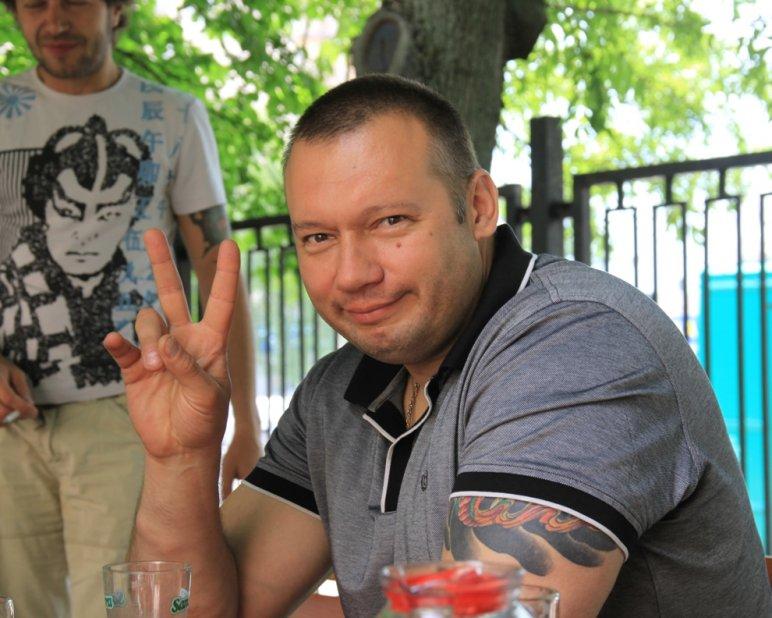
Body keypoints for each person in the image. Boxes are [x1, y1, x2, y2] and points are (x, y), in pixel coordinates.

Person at [105, 75, 772, 617]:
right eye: (318, 237)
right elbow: (189, 612)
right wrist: (179, 459)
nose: (352, 274)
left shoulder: (577, 349)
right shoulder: (335, 394)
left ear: (478, 205)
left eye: (390, 221)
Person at [0, 0, 260, 616]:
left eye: (74, 0)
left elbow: (218, 271)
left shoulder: (174, 115)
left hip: (130, 412)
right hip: (9, 421)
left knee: (124, 604)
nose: (54, 19)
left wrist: (245, 421)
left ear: (116, 8)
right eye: (34, 2)